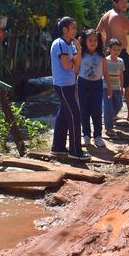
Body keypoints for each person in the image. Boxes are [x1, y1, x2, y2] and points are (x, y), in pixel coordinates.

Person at [97, 0, 129, 124]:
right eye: (122, 2)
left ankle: (111, 114)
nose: (125, 5)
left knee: (111, 82)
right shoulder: (120, 16)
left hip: (108, 53)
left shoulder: (106, 15)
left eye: (126, 2)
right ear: (115, 3)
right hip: (120, 54)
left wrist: (103, 47)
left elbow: (97, 32)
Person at [50, 16, 91, 161]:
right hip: (62, 85)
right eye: (73, 27)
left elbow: (76, 68)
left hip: (70, 83)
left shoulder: (71, 45)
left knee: (63, 115)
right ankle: (75, 151)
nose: (75, 30)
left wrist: (79, 49)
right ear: (65, 29)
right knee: (75, 115)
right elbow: (68, 66)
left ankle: (58, 147)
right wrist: (74, 60)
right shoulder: (60, 43)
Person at [77, 29, 106, 148]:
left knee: (97, 110)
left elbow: (106, 71)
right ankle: (86, 135)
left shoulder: (101, 54)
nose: (93, 43)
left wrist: (109, 87)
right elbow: (76, 69)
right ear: (85, 41)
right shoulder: (81, 53)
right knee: (84, 110)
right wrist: (74, 86)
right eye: (90, 40)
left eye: (95, 40)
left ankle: (98, 136)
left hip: (97, 84)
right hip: (83, 84)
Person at [103, 38, 126, 136]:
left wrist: (122, 87)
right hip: (105, 86)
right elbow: (103, 73)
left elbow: (121, 75)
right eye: (114, 49)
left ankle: (109, 117)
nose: (116, 52)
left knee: (119, 104)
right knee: (108, 107)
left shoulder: (120, 61)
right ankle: (109, 128)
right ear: (109, 49)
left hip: (117, 86)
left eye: (118, 50)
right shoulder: (105, 61)